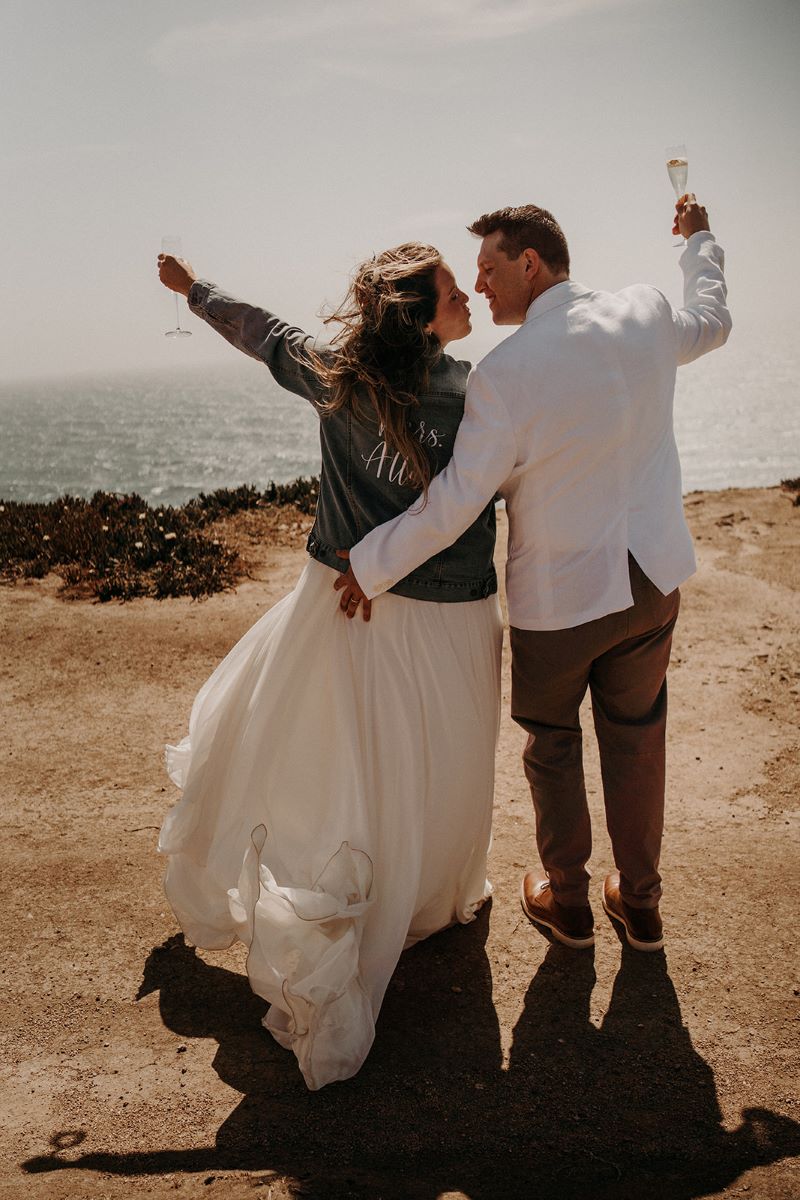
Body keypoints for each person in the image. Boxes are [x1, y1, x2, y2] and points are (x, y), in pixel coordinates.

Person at [338, 195, 732, 953]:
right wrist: (699, 241)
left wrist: (370, 561)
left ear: (530, 263)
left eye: (487, 270)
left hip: (560, 603)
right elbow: (711, 317)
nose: (478, 288)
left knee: (552, 745)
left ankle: (572, 904)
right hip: (651, 581)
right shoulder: (645, 314)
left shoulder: (504, 373)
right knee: (638, 739)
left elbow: (455, 502)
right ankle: (641, 906)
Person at [155, 243, 502, 1089]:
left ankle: (408, 893)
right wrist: (196, 291)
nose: (470, 303)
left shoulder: (340, 375)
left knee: (351, 762)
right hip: (440, 613)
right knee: (425, 764)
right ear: (421, 318)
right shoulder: (474, 393)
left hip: (351, 598)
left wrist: (195, 290)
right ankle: (422, 895)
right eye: (456, 293)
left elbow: (263, 333)